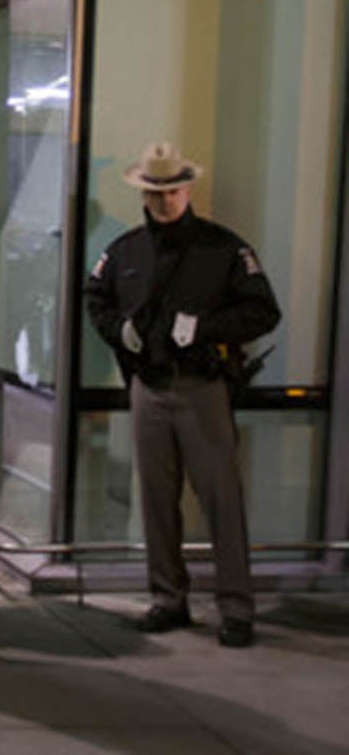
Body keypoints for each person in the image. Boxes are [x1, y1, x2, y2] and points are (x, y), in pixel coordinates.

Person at [85, 141, 281, 649]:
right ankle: (168, 597)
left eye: (172, 190)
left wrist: (209, 329)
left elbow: (263, 311)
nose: (165, 200)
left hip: (201, 388)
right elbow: (96, 298)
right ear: (143, 194)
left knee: (222, 500)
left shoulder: (223, 249)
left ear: (188, 188)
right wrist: (118, 331)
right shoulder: (125, 251)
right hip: (149, 388)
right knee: (155, 500)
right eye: (155, 192)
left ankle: (236, 608)